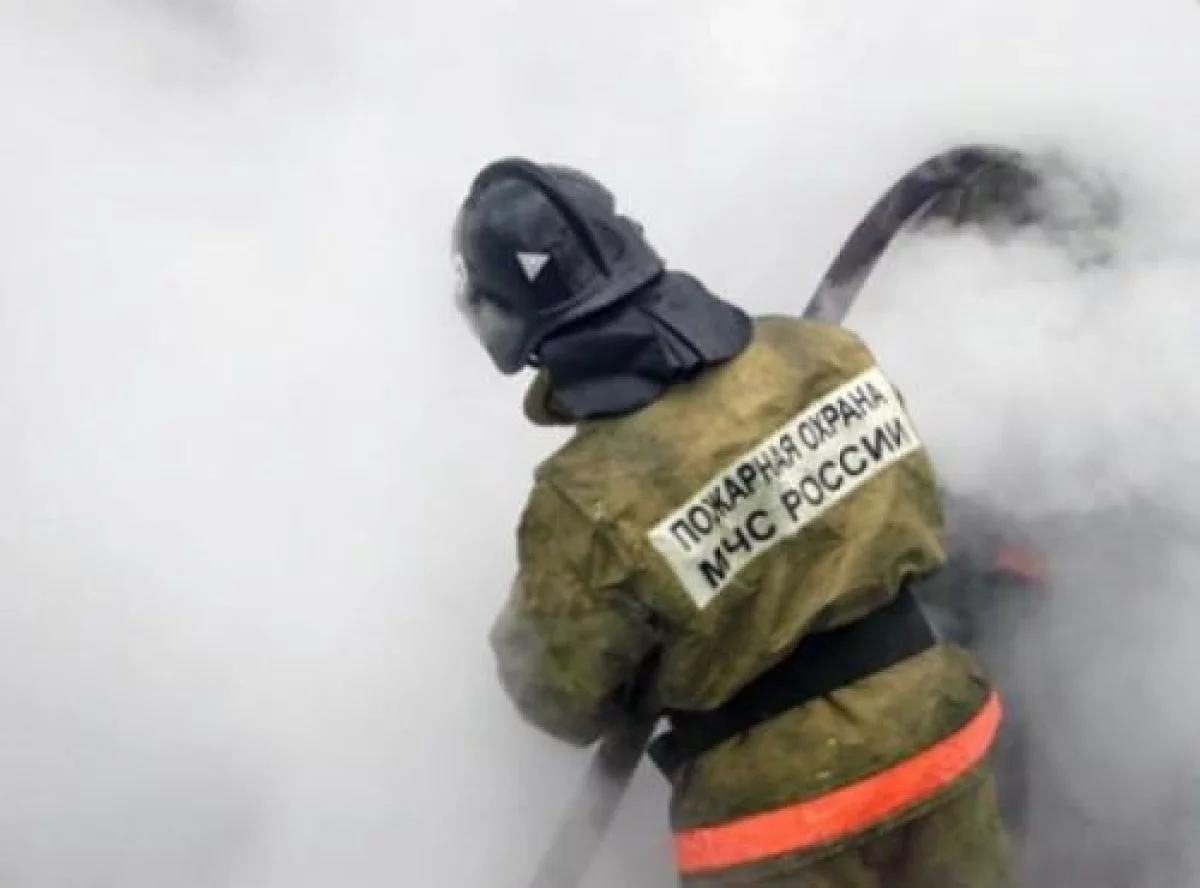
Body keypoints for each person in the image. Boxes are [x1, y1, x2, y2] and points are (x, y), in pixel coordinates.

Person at [453, 156, 1015, 886]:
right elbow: (919, 512)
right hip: (937, 740)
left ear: (501, 316)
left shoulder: (583, 497)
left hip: (783, 817)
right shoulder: (824, 355)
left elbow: (557, 695)